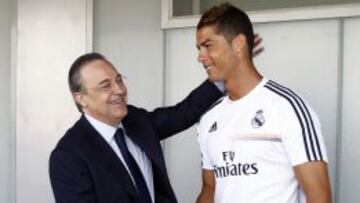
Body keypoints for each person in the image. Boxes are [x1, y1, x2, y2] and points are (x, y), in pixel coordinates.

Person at [195, 3, 332, 203]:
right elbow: (209, 191)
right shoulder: (209, 119)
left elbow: (319, 197)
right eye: (199, 48)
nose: (200, 57)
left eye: (208, 46)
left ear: (238, 43)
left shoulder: (288, 108)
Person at [49, 52, 224, 203]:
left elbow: (182, 113)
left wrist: (225, 75)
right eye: (106, 86)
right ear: (81, 98)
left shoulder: (136, 120)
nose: (119, 90)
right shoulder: (68, 156)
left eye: (119, 80)